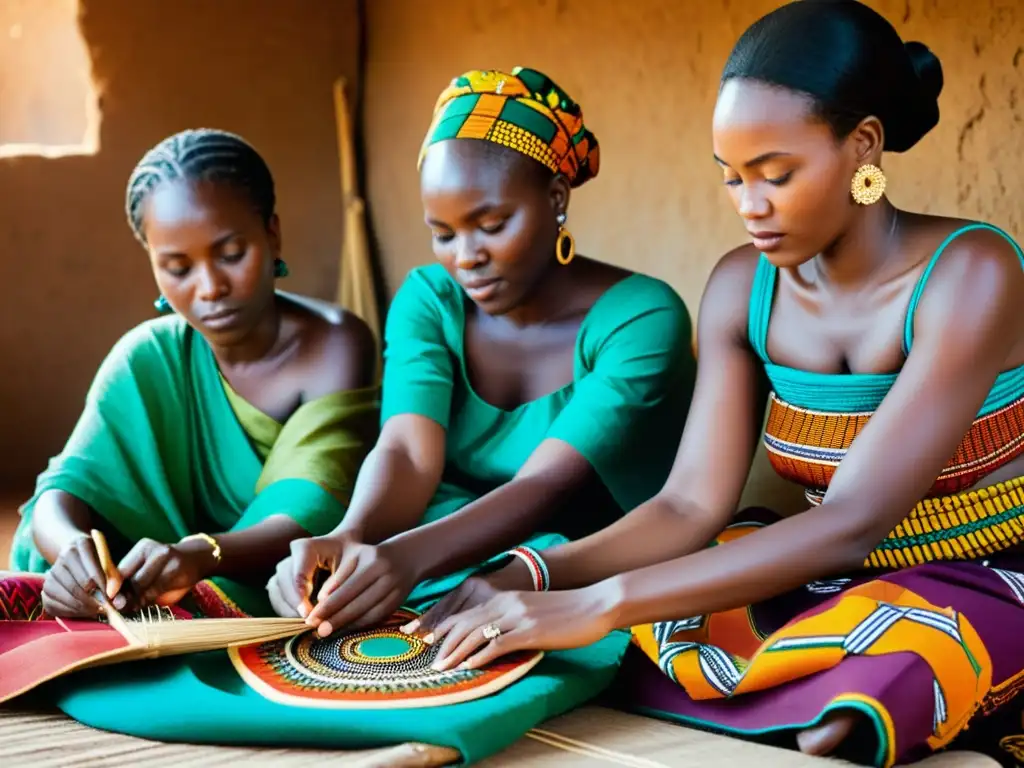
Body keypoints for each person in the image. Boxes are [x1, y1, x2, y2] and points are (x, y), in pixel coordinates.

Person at [412, 5, 1024, 766]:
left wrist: (596, 602)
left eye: (777, 174)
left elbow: (856, 519)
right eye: (731, 177)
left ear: (863, 145)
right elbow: (688, 505)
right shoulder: (742, 286)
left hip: (982, 575)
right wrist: (527, 575)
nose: (749, 205)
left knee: (854, 709)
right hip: (817, 573)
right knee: (599, 656)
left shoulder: (972, 272)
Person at [267, 66, 697, 639]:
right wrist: (354, 535)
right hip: (450, 544)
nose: (466, 256)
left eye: (491, 224)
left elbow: (547, 487)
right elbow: (407, 453)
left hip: (581, 563)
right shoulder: (432, 300)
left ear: (556, 197)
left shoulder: (641, 319)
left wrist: (408, 558)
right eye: (443, 234)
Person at [10, 128, 379, 617]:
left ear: (272, 234)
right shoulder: (148, 358)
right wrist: (75, 553)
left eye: (230, 255)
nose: (209, 288)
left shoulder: (335, 343)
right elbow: (62, 493)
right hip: (146, 587)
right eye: (178, 267)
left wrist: (201, 555)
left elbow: (309, 509)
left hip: (270, 578)